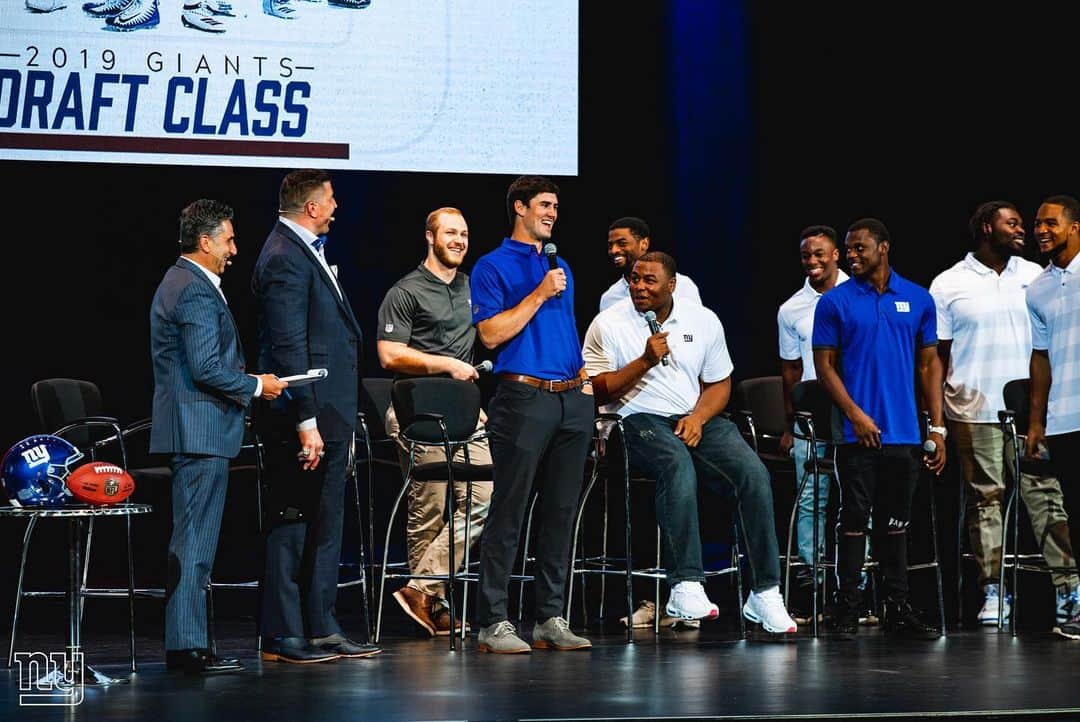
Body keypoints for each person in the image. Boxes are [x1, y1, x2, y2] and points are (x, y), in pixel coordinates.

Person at [583, 251, 797, 634]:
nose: (639, 287)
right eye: (634, 279)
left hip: (692, 417)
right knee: (674, 463)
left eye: (649, 281)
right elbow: (595, 391)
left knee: (752, 472)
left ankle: (764, 593)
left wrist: (698, 416)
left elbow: (719, 383)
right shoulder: (608, 323)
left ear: (672, 286)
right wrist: (643, 361)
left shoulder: (703, 320)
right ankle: (685, 585)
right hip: (633, 420)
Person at [150, 199, 287, 675]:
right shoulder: (192, 289)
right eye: (228, 239)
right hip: (200, 430)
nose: (234, 249)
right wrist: (256, 385)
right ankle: (186, 648)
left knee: (197, 539)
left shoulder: (188, 283)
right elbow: (206, 368)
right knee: (194, 541)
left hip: (201, 429)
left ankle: (190, 643)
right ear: (204, 242)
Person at [931, 200, 1079, 631]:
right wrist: (938, 418)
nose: (1024, 231)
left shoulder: (1038, 277)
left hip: (1034, 410)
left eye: (1029, 224)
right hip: (973, 408)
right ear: (985, 229)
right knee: (987, 501)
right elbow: (936, 356)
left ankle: (1068, 588)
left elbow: (1044, 351)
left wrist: (1039, 416)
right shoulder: (948, 283)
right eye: (1013, 224)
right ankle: (994, 589)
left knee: (1046, 498)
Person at [252, 169, 380, 663]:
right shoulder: (284, 255)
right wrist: (305, 420)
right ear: (311, 207)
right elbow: (288, 346)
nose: (336, 208)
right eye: (330, 200)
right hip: (302, 415)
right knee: (293, 521)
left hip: (330, 412)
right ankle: (283, 634)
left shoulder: (307, 252)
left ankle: (321, 624)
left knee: (326, 520)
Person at [470, 175, 595, 654]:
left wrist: (583, 382)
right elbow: (491, 336)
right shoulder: (491, 266)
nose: (553, 213)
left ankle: (549, 617)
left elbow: (566, 331)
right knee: (510, 510)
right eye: (544, 204)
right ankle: (493, 621)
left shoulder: (559, 264)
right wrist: (539, 292)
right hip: (522, 399)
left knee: (561, 512)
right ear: (519, 207)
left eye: (557, 206)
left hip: (570, 399)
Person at [812, 217, 945, 640]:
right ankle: (847, 605)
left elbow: (928, 365)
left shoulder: (918, 299)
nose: (851, 255)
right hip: (856, 434)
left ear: (883, 247)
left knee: (896, 523)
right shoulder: (835, 302)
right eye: (848, 249)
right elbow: (824, 367)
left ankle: (897, 606)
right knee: (853, 519)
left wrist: (937, 428)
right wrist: (854, 414)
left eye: (859, 248)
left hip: (904, 432)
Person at [377, 207, 493, 637]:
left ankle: (421, 588)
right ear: (430, 237)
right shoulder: (406, 291)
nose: (459, 240)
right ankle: (435, 605)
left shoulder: (470, 287)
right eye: (450, 232)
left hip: (464, 411)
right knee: (429, 509)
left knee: (482, 496)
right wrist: (444, 365)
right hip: (417, 408)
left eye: (464, 233)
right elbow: (390, 354)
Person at [776, 225, 849, 620]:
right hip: (811, 416)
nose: (813, 262)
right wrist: (790, 424)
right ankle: (813, 582)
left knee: (858, 497)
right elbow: (790, 371)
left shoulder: (859, 296)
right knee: (811, 498)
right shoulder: (792, 309)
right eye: (807, 256)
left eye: (820, 254)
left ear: (836, 254)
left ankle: (856, 584)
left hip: (854, 412)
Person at [1026, 194, 1080, 640]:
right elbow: (1039, 358)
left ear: (1074, 226)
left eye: (1050, 223)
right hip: (1065, 418)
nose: (1041, 230)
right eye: (1038, 224)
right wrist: (1037, 421)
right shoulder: (1037, 288)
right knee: (1073, 516)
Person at [599, 217, 702, 311]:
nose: (613, 250)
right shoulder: (609, 299)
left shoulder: (682, 285)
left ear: (644, 244)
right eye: (610, 245)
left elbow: (696, 325)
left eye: (622, 243)